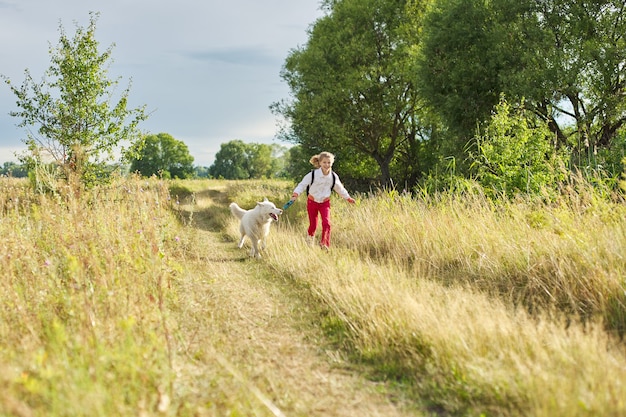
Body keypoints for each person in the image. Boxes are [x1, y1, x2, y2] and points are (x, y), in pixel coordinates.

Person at [289, 151, 355, 249]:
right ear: (320, 163)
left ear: (331, 163)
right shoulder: (312, 175)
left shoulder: (333, 176)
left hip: (325, 203)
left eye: (329, 163)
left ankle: (324, 244)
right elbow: (302, 185)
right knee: (313, 225)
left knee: (327, 223)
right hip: (312, 202)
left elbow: (340, 188)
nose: (327, 165)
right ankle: (309, 241)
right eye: (324, 162)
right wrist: (295, 194)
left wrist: (348, 198)